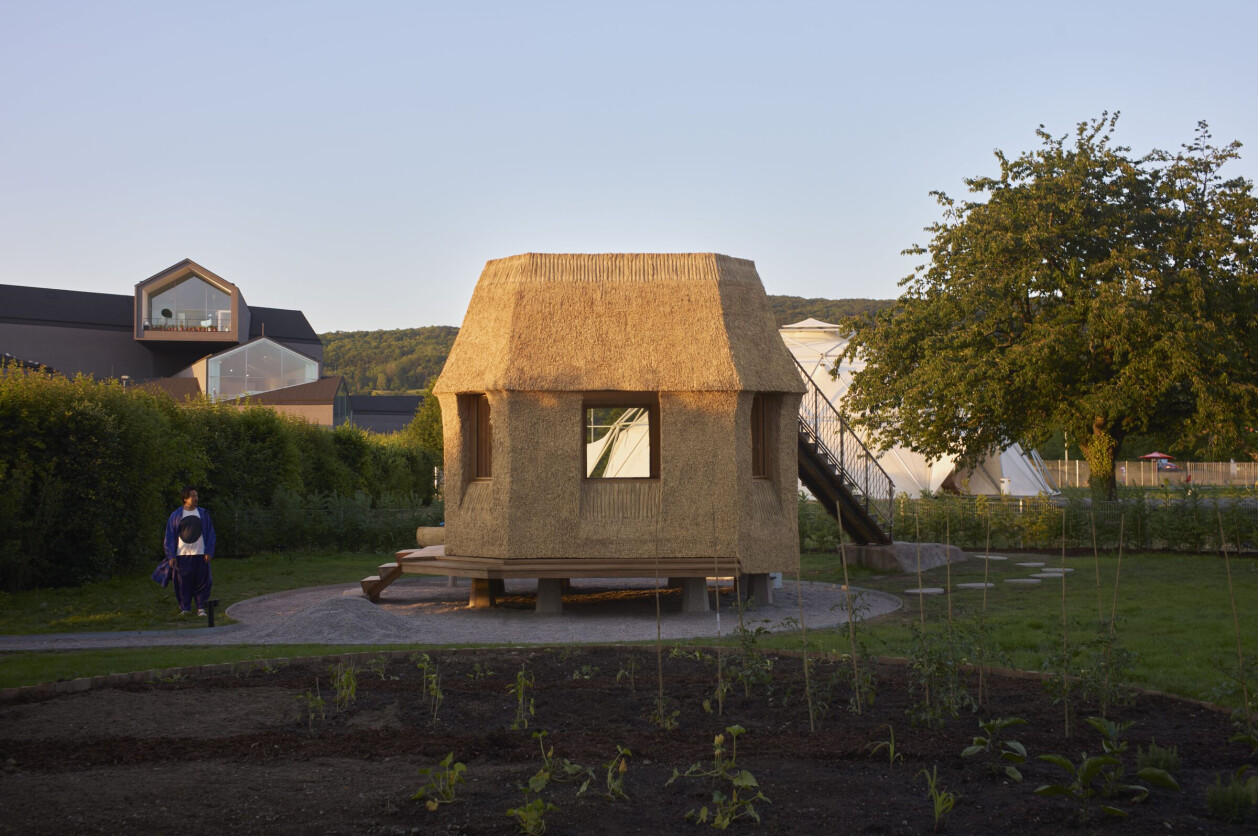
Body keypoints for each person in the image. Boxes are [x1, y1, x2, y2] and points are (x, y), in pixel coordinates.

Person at [164, 486, 216, 616]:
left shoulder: (203, 514)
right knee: (182, 583)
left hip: (200, 554)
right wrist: (171, 555)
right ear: (185, 498)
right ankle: (185, 608)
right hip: (182, 555)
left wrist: (209, 551)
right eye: (193, 496)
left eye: (196, 496)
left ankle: (201, 607)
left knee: (203, 582)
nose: (196, 498)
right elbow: (169, 535)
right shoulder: (176, 515)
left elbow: (210, 533)